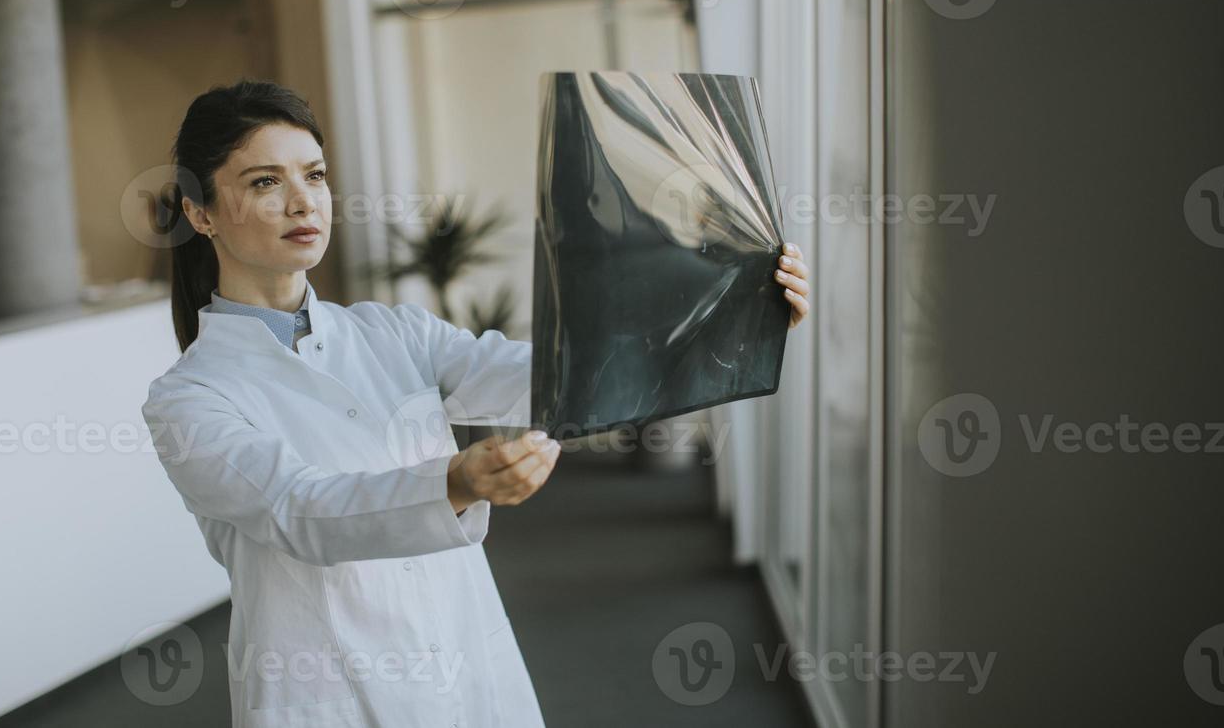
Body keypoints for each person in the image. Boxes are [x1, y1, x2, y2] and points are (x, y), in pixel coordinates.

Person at [141, 80, 811, 728]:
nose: (303, 202)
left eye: (314, 176)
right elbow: (303, 511)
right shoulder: (189, 400)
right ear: (201, 213)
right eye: (265, 182)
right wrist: (454, 481)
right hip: (328, 691)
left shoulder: (393, 332)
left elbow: (554, 375)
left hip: (463, 658)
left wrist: (738, 312)